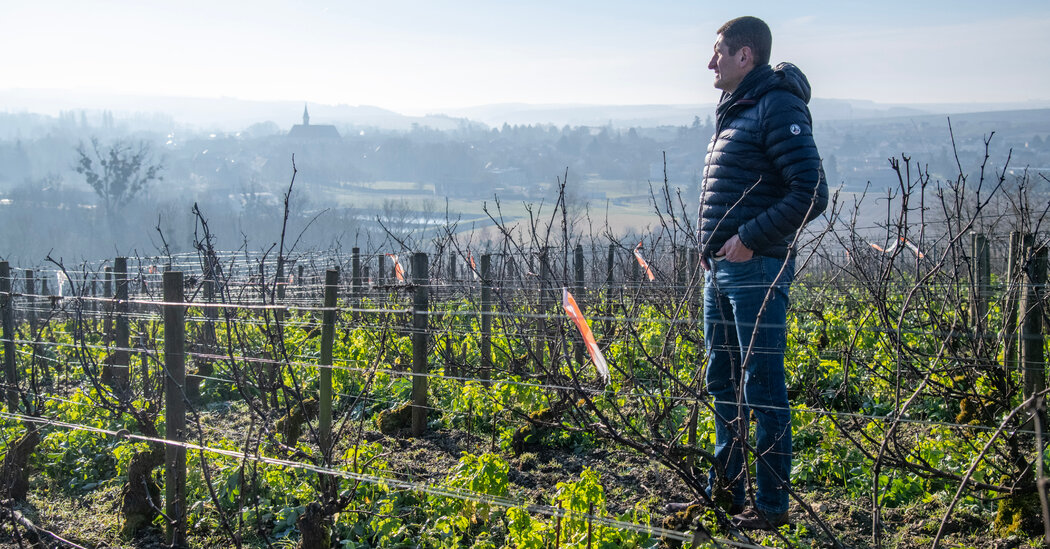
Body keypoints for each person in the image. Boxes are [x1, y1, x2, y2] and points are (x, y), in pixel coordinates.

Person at [697, 16, 828, 530]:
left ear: (745, 56)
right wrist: (711, 247)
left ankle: (771, 509)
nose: (710, 62)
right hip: (723, 271)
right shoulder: (738, 110)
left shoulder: (776, 106)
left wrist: (748, 240)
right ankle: (724, 495)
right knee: (723, 382)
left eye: (718, 52)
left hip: (758, 270)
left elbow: (811, 192)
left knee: (762, 388)